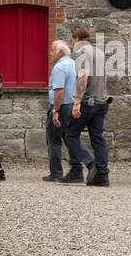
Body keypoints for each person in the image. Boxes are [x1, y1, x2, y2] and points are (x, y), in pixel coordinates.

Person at [43, 40, 93, 183]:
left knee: (54, 139)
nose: (50, 53)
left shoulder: (59, 67)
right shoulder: (73, 64)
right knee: (70, 137)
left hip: (62, 106)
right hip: (72, 104)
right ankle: (89, 161)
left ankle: (56, 172)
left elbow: (59, 92)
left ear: (60, 52)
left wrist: (55, 111)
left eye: (52, 50)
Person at [69, 25, 110, 186]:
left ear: (76, 38)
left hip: (88, 101)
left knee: (70, 133)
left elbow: (83, 77)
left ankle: (84, 165)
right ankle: (102, 174)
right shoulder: (98, 52)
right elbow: (105, 76)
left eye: (72, 39)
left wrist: (77, 102)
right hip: (101, 100)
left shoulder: (82, 53)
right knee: (98, 138)